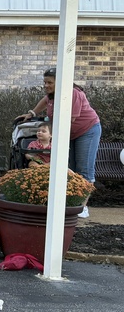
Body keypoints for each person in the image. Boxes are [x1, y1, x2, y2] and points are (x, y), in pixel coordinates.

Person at [17, 67, 100, 216]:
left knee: (84, 169)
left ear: (60, 82)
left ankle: (82, 207)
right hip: (71, 133)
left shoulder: (74, 93)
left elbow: (68, 121)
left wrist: (52, 138)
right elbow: (45, 101)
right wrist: (32, 113)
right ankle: (72, 204)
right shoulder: (52, 95)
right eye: (45, 82)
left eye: (50, 82)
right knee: (71, 169)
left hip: (87, 130)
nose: (46, 85)